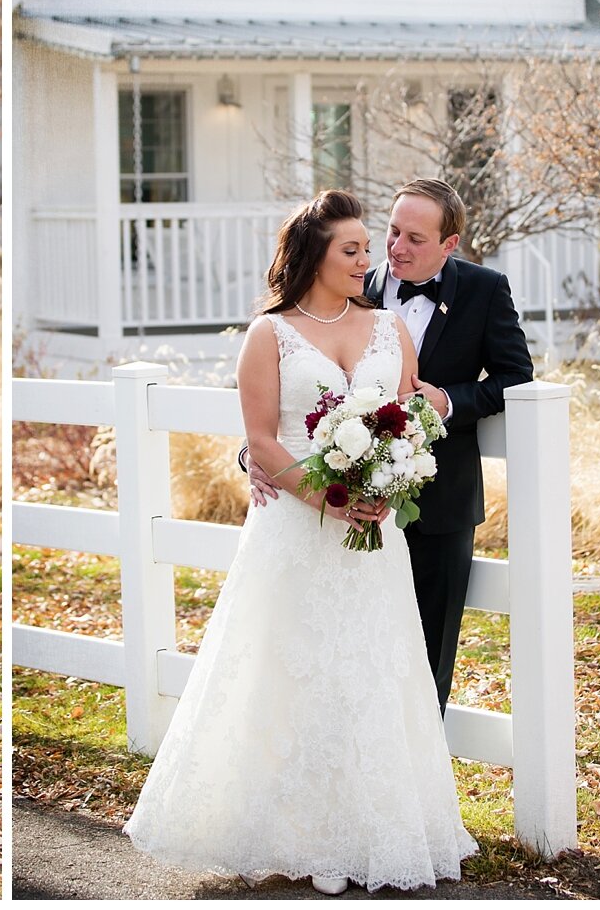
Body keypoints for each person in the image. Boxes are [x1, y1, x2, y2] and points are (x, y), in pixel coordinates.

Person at [124, 190, 476, 895]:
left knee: (371, 674)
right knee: (290, 674)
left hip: (375, 538)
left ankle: (370, 832)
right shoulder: (270, 334)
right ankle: (299, 836)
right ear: (315, 254)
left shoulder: (387, 330)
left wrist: (389, 487)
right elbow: (259, 440)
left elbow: (407, 422)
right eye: (351, 251)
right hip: (296, 533)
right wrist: (334, 498)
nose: (367, 261)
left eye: (366, 250)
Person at [242, 178, 533, 711]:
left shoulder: (484, 289)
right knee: (324, 650)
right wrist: (254, 457)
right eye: (392, 232)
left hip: (438, 500)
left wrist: (445, 401)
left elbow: (517, 375)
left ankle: (414, 778)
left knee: (423, 656)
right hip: (324, 509)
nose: (395, 249)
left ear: (449, 244)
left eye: (415, 239)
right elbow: (278, 407)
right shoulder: (351, 284)